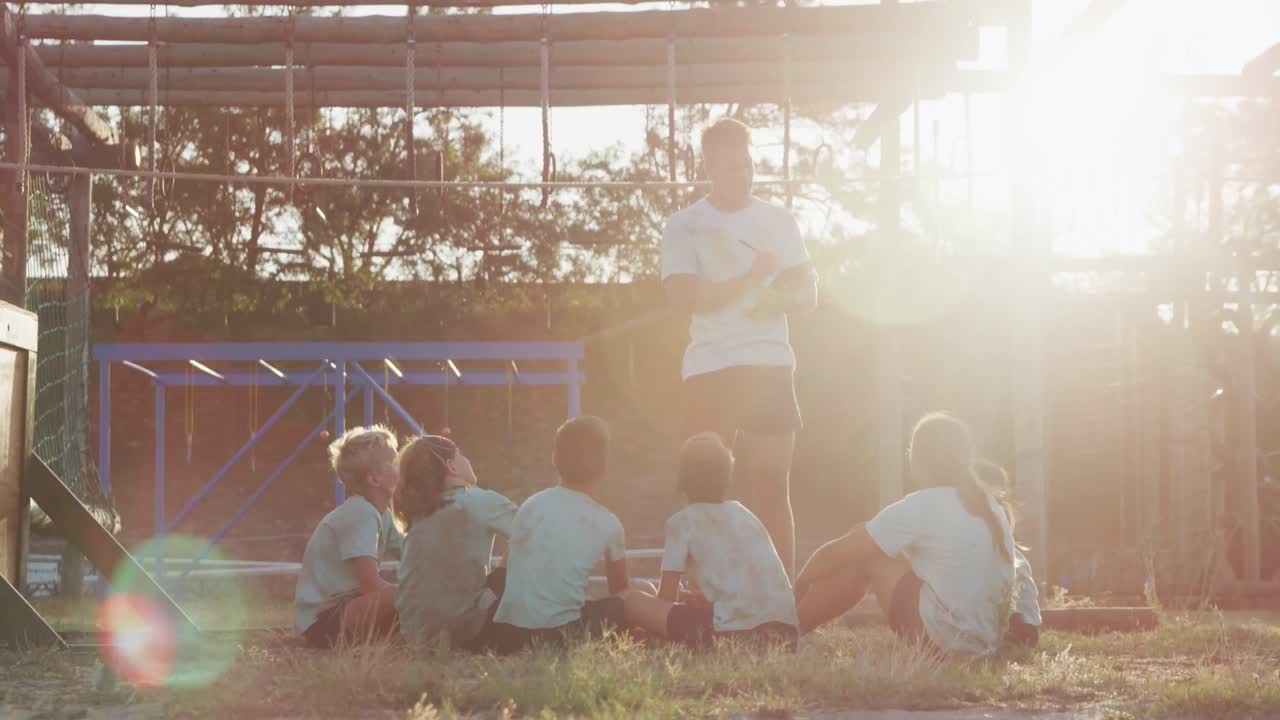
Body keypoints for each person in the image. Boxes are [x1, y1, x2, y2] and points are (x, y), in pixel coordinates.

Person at [660, 116, 818, 577]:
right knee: (702, 489)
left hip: (768, 364)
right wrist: (748, 280)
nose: (743, 175)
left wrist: (776, 299)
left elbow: (808, 296)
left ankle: (780, 603)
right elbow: (684, 297)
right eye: (731, 167)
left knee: (772, 484)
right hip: (709, 367)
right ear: (708, 167)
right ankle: (705, 601)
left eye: (748, 165)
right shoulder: (683, 225)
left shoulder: (779, 221)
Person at [793, 412, 1019, 656]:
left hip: (942, 643)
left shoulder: (926, 502)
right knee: (877, 543)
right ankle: (790, 630)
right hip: (988, 642)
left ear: (916, 458)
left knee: (868, 552)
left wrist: (801, 582)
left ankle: (786, 631)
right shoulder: (990, 506)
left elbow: (836, 553)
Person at [623, 433, 799, 649]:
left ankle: (645, 646)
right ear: (727, 477)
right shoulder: (745, 515)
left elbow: (666, 598)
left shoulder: (682, 522)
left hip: (732, 636)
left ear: (683, 480)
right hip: (785, 636)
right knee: (659, 594)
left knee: (633, 600)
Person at [483, 415, 630, 654]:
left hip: (508, 637)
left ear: (554, 458)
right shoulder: (609, 523)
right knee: (636, 598)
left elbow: (503, 572)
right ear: (605, 465)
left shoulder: (531, 506)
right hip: (561, 636)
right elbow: (620, 591)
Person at [393, 434, 517, 651]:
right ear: (452, 466)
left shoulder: (420, 514)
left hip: (415, 635)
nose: (467, 459)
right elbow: (532, 535)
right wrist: (501, 571)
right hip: (466, 633)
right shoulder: (481, 501)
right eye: (461, 455)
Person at [294, 426, 401, 648]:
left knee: (416, 594)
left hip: (349, 609)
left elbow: (413, 553)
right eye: (396, 462)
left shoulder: (383, 515)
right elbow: (371, 584)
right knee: (408, 595)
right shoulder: (360, 513)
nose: (403, 466)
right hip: (322, 621)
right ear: (374, 479)